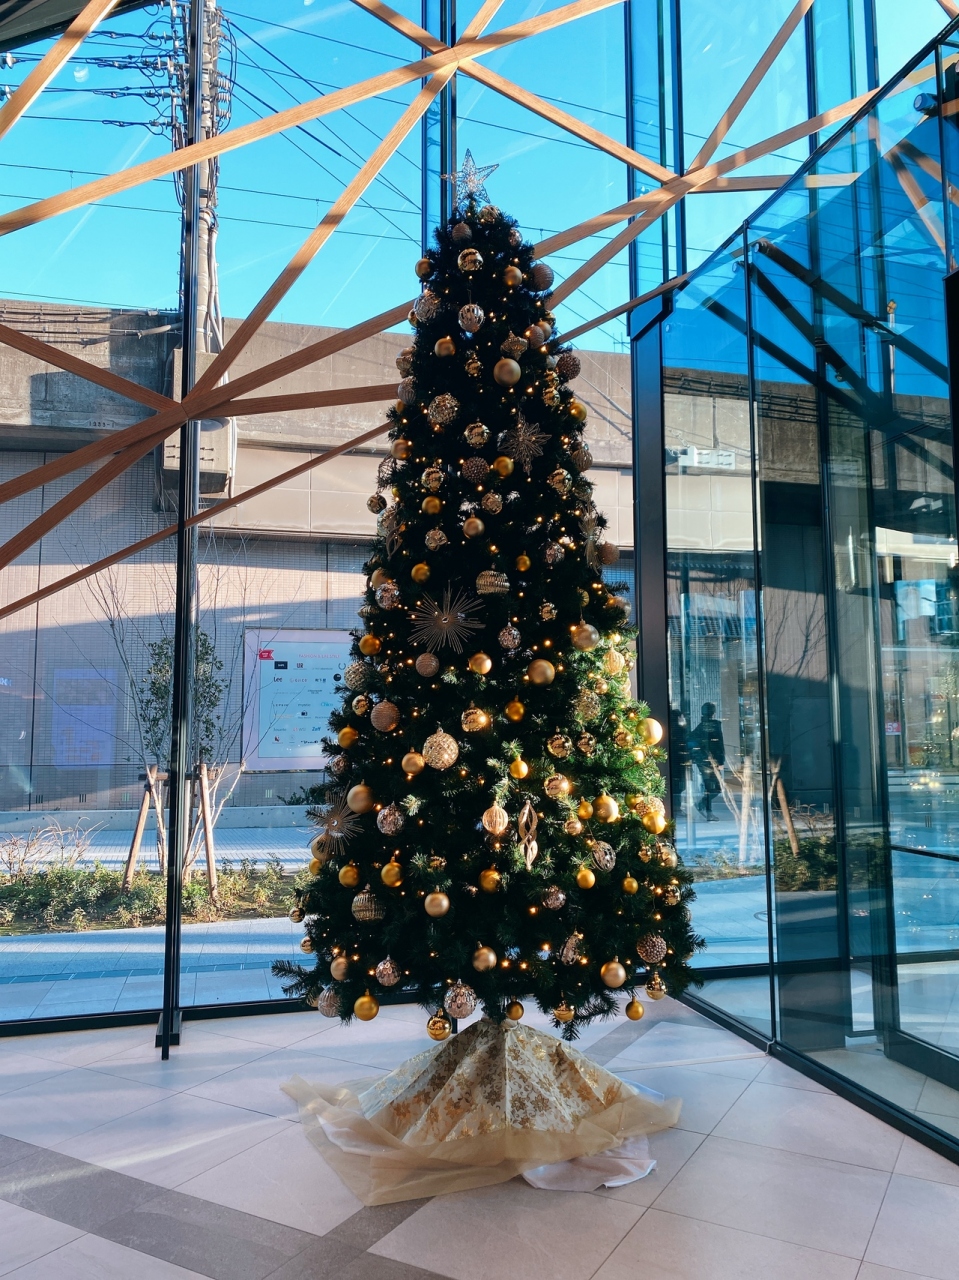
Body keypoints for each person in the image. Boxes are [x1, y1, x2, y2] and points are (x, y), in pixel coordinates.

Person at [689, 701, 725, 820]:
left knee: (709, 787)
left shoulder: (700, 726)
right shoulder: (715, 725)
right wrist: (721, 761)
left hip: (702, 761)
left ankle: (705, 809)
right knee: (716, 787)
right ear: (713, 713)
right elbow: (719, 745)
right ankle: (704, 807)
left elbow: (691, 740)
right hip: (712, 761)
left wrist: (697, 756)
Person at [669, 705, 690, 816]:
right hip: (679, 761)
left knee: (675, 785)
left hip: (674, 760)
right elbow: (685, 741)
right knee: (679, 785)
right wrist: (684, 725)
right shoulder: (680, 729)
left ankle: (675, 807)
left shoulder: (669, 729)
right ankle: (676, 807)